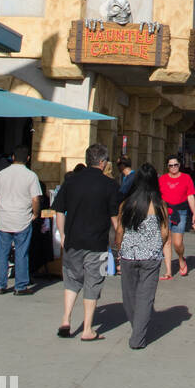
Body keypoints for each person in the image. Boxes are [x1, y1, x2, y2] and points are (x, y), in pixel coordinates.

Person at [53, 142, 120, 341]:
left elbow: (59, 210)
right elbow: (114, 217)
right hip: (97, 243)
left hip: (73, 240)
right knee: (94, 282)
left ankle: (66, 319)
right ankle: (88, 329)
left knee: (72, 280)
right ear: (102, 162)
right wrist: (120, 239)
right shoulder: (110, 185)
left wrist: (63, 235)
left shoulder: (71, 181)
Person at [118, 164, 169, 350]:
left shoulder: (126, 204)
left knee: (129, 295)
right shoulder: (160, 205)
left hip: (128, 255)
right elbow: (165, 233)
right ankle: (138, 336)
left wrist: (119, 249)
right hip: (151, 257)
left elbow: (119, 231)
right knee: (145, 297)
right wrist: (156, 247)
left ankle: (137, 328)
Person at [0, 145, 42, 295]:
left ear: (12, 157)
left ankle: (0, 285)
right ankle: (20, 286)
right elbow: (35, 198)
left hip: (4, 217)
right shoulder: (31, 176)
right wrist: (35, 213)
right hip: (22, 218)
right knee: (21, 252)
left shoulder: (1, 174)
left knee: (3, 252)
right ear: (27, 158)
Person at [158, 156, 195, 279]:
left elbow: (190, 196)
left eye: (175, 165)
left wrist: (194, 213)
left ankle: (181, 258)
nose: (173, 167)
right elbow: (158, 197)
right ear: (167, 167)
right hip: (165, 212)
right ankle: (168, 271)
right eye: (171, 165)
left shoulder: (186, 178)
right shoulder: (162, 179)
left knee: (177, 242)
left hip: (181, 211)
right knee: (166, 241)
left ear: (179, 165)